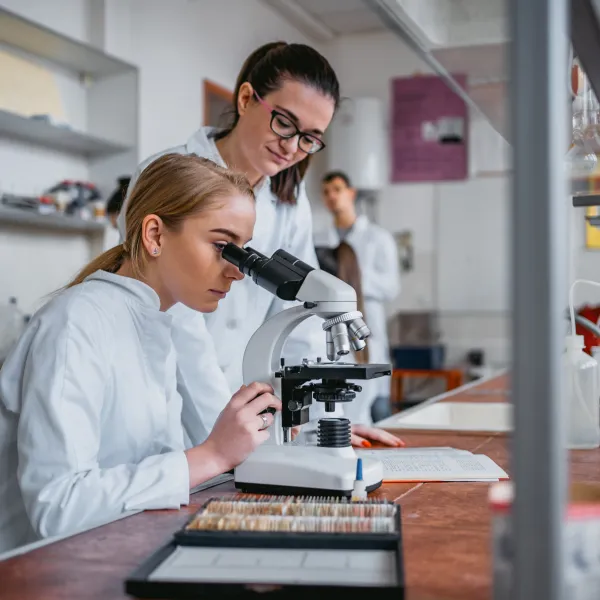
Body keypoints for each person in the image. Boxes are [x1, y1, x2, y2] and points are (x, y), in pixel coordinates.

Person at [118, 42, 402, 449]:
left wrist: (318, 422)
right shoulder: (166, 174)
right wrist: (233, 436)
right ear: (247, 98)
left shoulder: (288, 201)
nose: (291, 147)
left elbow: (299, 316)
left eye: (309, 138)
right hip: (168, 400)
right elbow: (175, 319)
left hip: (243, 410)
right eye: (285, 123)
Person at [0, 154, 281, 553]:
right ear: (155, 235)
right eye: (222, 246)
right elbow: (58, 506)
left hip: (111, 551)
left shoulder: (154, 320)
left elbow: (148, 470)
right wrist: (211, 454)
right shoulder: (77, 321)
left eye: (242, 251)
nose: (237, 270)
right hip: (39, 573)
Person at [315, 171, 401, 423]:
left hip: (367, 330)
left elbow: (391, 287)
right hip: (330, 329)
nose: (332, 196)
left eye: (337, 189)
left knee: (377, 412)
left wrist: (352, 278)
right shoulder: (318, 239)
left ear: (351, 193)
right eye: (326, 191)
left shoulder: (378, 238)